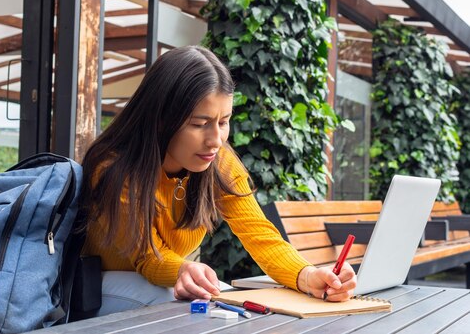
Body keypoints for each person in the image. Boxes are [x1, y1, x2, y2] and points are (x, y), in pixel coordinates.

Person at [81, 45, 356, 316]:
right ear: (161, 118)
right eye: (200, 124)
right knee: (196, 310)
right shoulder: (114, 168)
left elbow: (259, 234)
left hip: (158, 285)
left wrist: (307, 276)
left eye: (224, 121)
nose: (215, 140)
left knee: (235, 308)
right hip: (94, 287)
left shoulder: (217, 162)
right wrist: (182, 269)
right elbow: (147, 257)